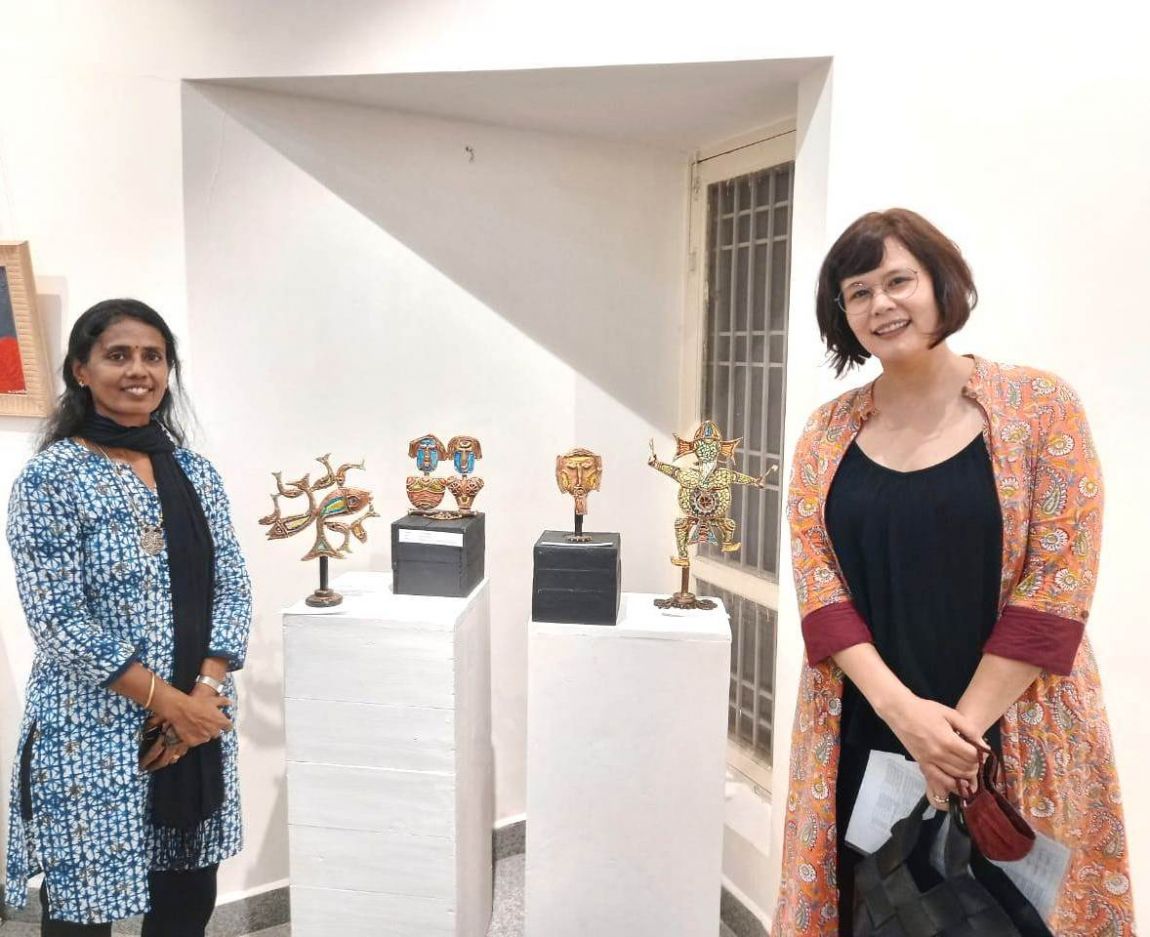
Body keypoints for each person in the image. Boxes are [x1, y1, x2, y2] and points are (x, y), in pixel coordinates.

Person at [772, 210, 1134, 935]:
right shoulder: (826, 431)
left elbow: (1058, 585)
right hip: (870, 724)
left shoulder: (1040, 407)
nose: (881, 304)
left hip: (1014, 727)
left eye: (898, 280)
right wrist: (908, 719)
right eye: (858, 292)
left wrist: (954, 742)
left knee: (1015, 917)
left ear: (941, 283)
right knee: (877, 912)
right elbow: (820, 587)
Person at [3, 299, 252, 935]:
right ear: (80, 370)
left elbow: (232, 585)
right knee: (83, 910)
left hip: (194, 723)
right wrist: (169, 703)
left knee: (185, 900)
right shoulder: (51, 479)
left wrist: (204, 693)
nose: (138, 370)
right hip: (90, 728)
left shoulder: (194, 472)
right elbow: (59, 622)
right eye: (118, 355)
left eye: (153, 356)